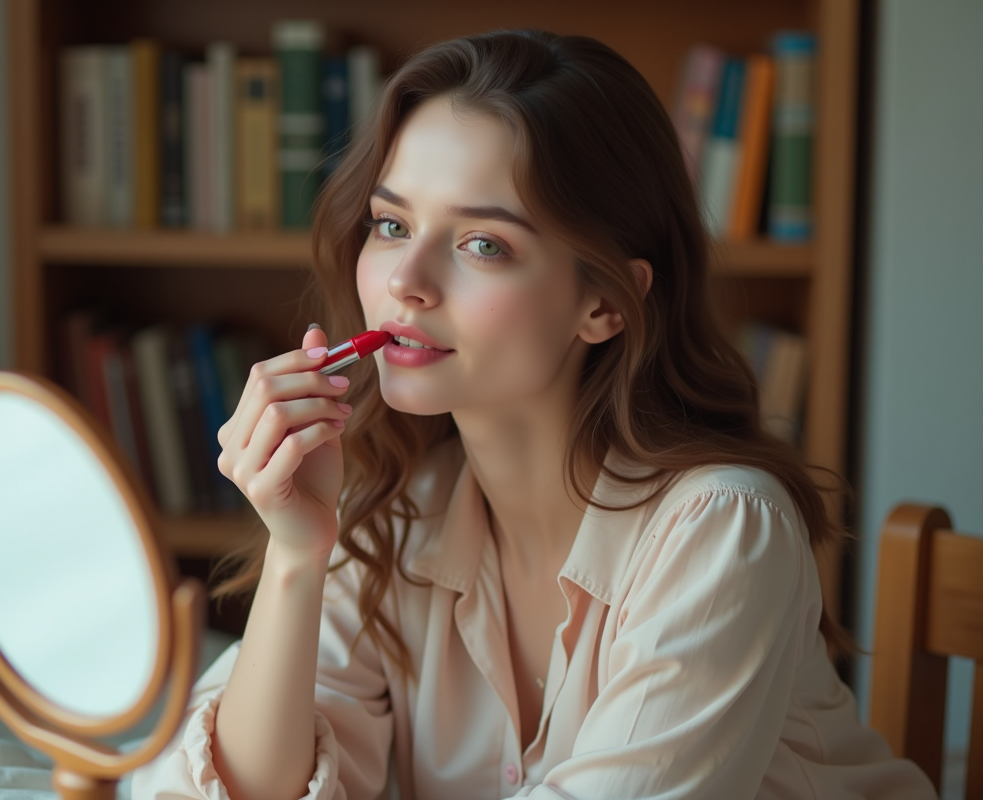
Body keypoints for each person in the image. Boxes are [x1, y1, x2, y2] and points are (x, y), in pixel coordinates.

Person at [134, 29, 935, 800]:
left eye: (483, 244)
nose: (406, 280)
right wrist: (297, 554)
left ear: (604, 303)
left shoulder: (722, 529)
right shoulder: (393, 513)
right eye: (392, 225)